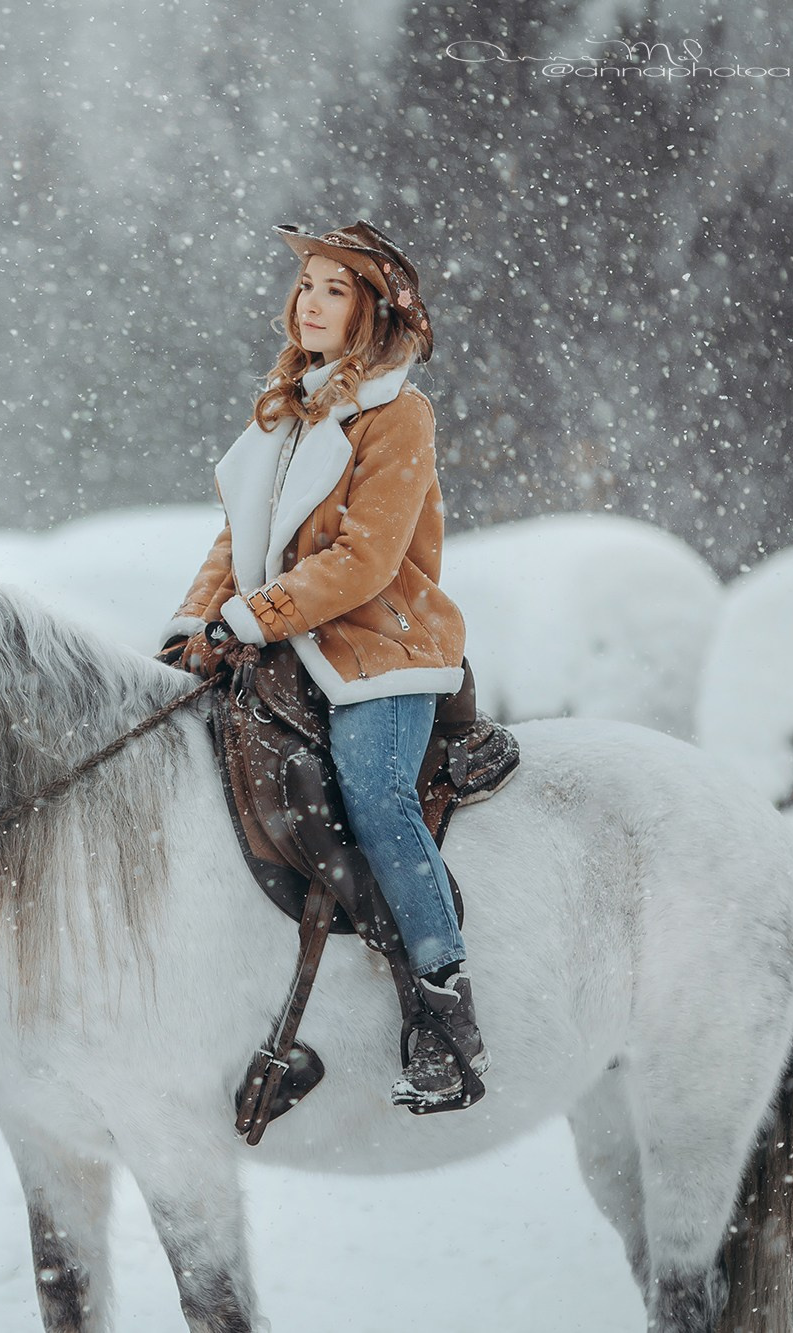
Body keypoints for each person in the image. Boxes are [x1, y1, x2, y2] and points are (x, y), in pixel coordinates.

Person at [161, 220, 486, 1110]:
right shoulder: (287, 408)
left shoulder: (400, 415)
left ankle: (444, 1008)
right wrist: (196, 618)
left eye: (335, 288)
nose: (311, 300)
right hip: (287, 643)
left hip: (380, 648)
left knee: (373, 788)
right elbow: (240, 539)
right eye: (306, 283)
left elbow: (364, 560)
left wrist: (253, 619)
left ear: (373, 313)